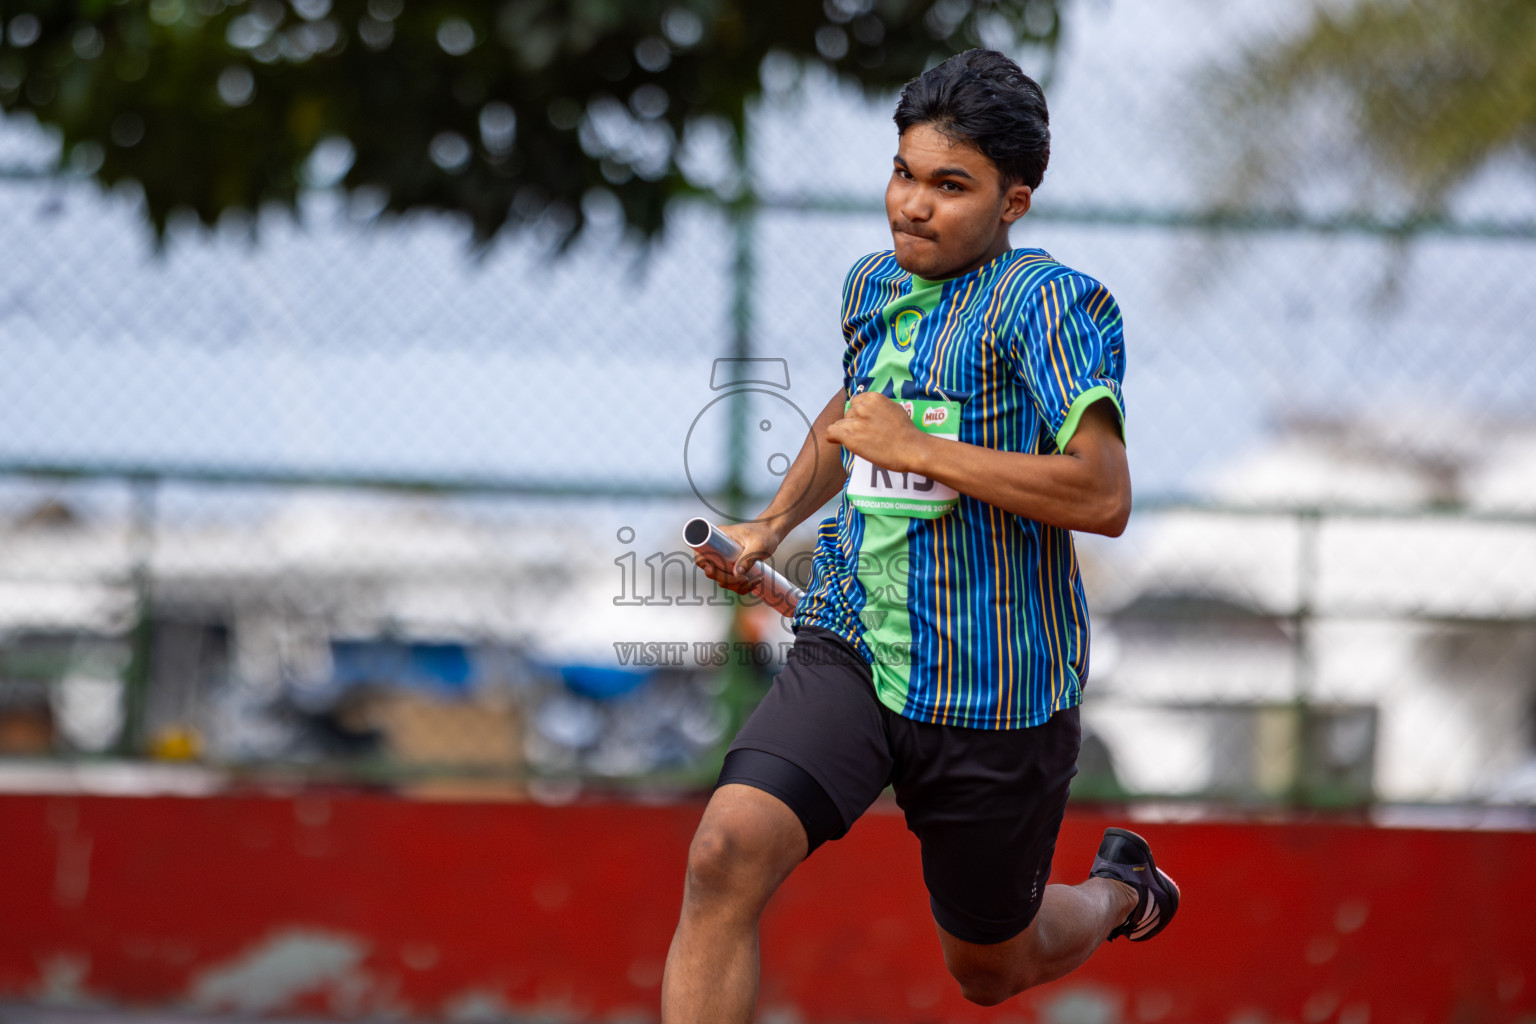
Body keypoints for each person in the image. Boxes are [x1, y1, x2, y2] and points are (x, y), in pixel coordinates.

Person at [662, 48, 1178, 1022]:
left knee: (992, 969)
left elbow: (1103, 493)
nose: (913, 206)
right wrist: (771, 525)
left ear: (1013, 202)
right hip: (854, 646)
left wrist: (923, 449)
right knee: (724, 853)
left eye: (950, 185)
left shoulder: (1049, 304)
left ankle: (1123, 891)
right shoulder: (873, 286)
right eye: (904, 174)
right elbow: (855, 411)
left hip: (997, 692)